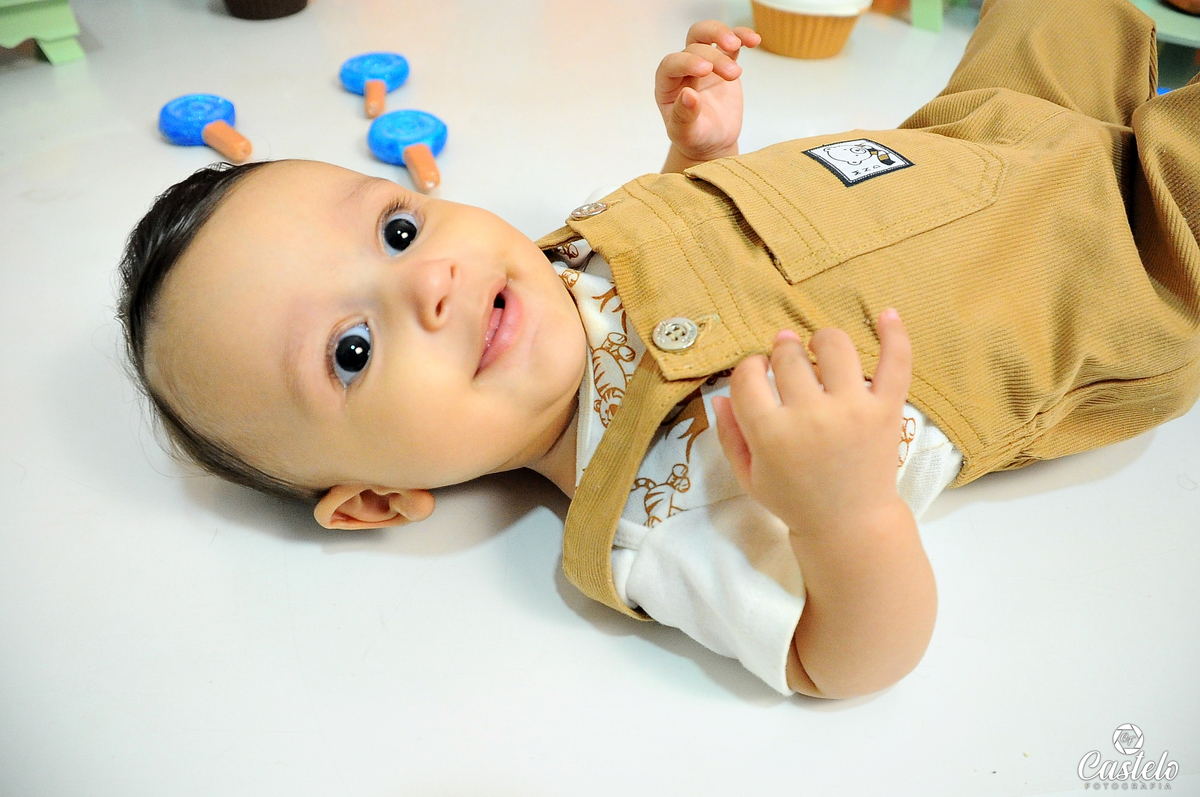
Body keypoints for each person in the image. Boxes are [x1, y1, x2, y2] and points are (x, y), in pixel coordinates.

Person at [117, 0, 1199, 699]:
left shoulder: (567, 262)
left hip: (975, 128)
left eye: (397, 230)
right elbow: (843, 663)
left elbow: (714, 261)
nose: (425, 280)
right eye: (352, 350)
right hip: (1107, 260)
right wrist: (847, 515)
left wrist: (701, 156)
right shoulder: (646, 517)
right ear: (374, 500)